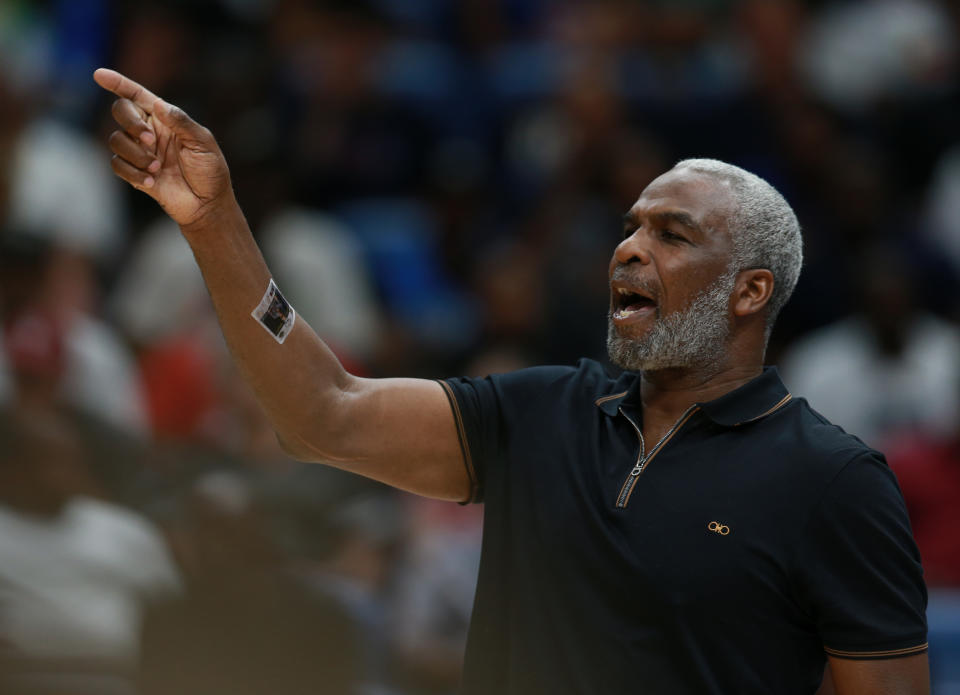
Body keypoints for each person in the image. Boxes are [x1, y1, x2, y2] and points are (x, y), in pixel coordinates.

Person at [93, 68, 929, 695]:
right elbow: (322, 413)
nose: (629, 249)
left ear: (750, 291)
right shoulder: (542, 411)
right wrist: (214, 223)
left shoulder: (832, 480)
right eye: (630, 227)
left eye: (672, 234)